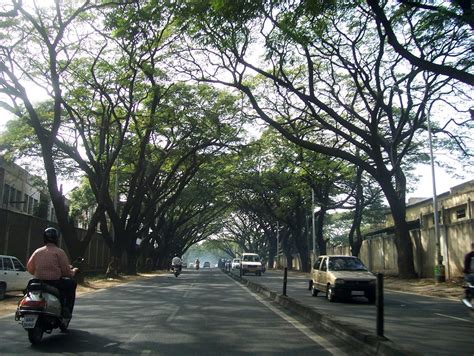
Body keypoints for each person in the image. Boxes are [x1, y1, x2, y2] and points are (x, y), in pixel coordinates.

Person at [27, 227, 78, 318]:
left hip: (38, 282)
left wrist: (40, 273)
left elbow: (30, 268)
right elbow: (67, 272)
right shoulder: (59, 252)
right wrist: (73, 271)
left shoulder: (37, 251)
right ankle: (66, 309)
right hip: (55, 283)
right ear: (56, 239)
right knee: (72, 283)